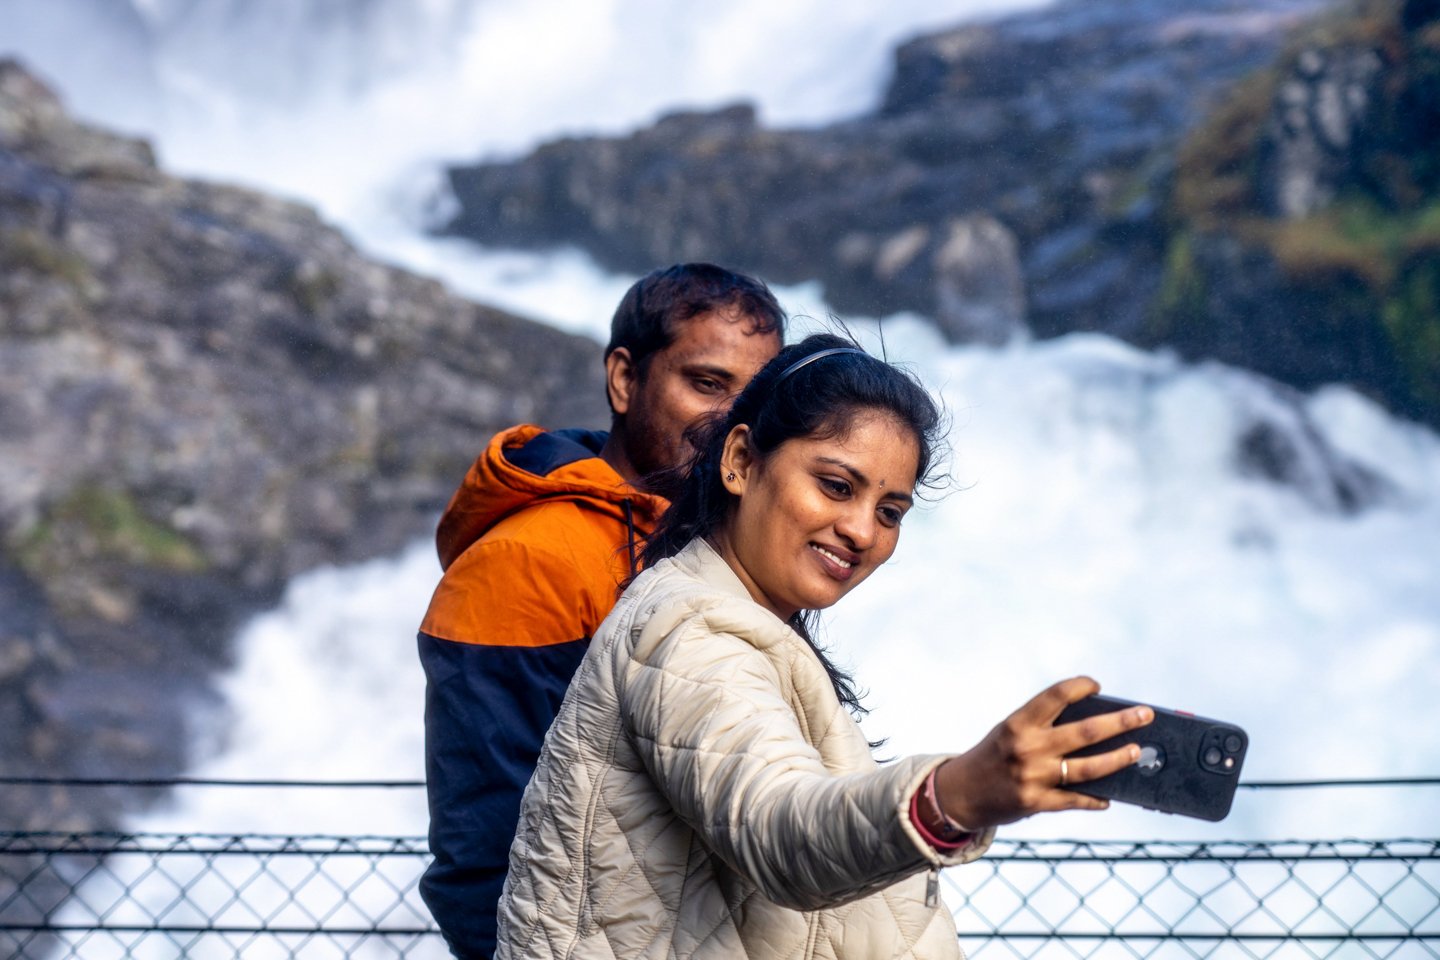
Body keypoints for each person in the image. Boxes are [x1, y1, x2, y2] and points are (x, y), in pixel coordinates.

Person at [494, 333, 1153, 959]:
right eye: (837, 486)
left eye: (891, 511)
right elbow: (776, 825)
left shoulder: (733, 615)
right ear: (741, 461)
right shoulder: (693, 633)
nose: (863, 531)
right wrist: (954, 797)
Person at [418, 264, 786, 959]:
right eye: (705, 383)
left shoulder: (722, 543)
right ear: (624, 379)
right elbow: (485, 856)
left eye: (752, 398)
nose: (729, 420)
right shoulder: (527, 561)